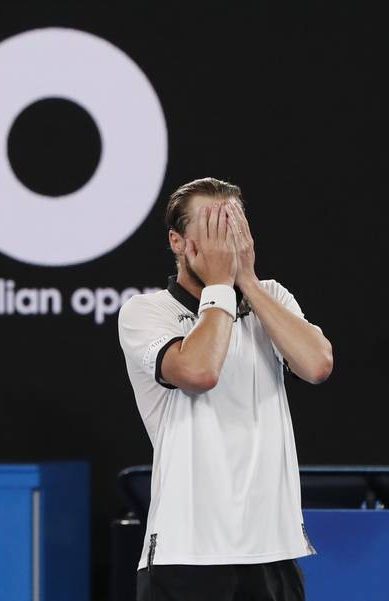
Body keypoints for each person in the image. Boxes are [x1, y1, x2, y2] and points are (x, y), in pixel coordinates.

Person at [118, 177, 334, 601]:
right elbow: (199, 371)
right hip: (187, 555)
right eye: (212, 226)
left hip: (273, 550)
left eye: (232, 224)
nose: (225, 240)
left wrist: (248, 283)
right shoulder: (145, 312)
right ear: (178, 242)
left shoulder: (270, 297)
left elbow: (317, 365)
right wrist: (219, 288)